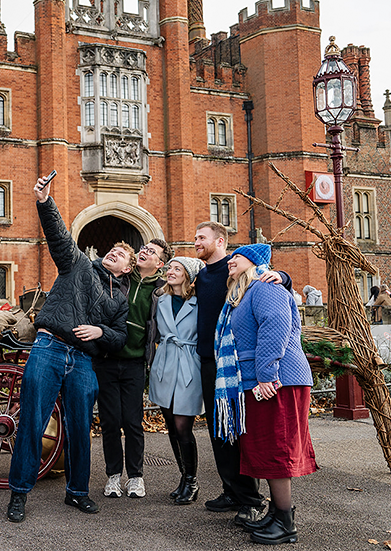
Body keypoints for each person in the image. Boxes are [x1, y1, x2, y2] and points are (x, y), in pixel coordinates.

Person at [6, 174, 132, 523]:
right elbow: (59, 236)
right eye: (112, 249)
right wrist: (45, 202)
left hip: (82, 362)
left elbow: (120, 338)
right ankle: (19, 493)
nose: (113, 253)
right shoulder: (78, 264)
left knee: (79, 428)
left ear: (128, 268)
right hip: (49, 347)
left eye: (121, 253)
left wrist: (99, 331)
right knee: (32, 421)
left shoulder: (119, 302)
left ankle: (77, 493)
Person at [215, 243, 317, 544]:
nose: (231, 260)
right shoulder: (243, 294)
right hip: (261, 380)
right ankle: (277, 513)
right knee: (265, 448)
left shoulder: (264, 287)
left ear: (255, 261)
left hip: (277, 380)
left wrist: (267, 376)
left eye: (238, 256)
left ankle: (286, 523)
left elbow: (275, 329)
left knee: (276, 449)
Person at [194, 221, 290, 526]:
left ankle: (251, 499)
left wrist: (285, 277)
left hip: (234, 365)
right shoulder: (201, 275)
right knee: (219, 430)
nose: (196, 241)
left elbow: (269, 275)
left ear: (220, 242)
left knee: (239, 433)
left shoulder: (234, 269)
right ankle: (231, 490)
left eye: (201, 237)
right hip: (211, 362)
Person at [98, 237, 173, 499]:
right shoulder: (119, 280)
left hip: (134, 362)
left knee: (132, 422)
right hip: (107, 359)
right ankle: (113, 476)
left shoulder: (163, 288)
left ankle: (136, 477)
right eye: (143, 249)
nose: (144, 252)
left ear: (159, 263)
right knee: (109, 422)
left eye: (150, 252)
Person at [147, 256, 206, 505]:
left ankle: (192, 481)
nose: (170, 272)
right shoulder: (160, 299)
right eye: (169, 267)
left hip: (189, 364)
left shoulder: (199, 301)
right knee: (170, 424)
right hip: (165, 363)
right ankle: (183, 477)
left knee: (183, 426)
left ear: (189, 275)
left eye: (176, 269)